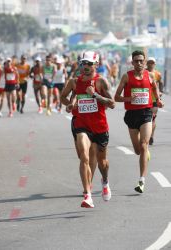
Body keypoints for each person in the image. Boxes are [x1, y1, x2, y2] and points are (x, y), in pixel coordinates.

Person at [61, 51, 115, 208]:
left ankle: (105, 181)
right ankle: (88, 195)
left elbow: (112, 104)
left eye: (89, 64)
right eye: (83, 63)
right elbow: (63, 97)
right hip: (81, 125)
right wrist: (69, 104)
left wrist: (96, 96)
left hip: (99, 126)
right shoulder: (74, 82)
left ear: (96, 65)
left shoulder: (101, 82)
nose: (86, 66)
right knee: (84, 157)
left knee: (102, 162)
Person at [114, 50, 164, 193]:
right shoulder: (126, 76)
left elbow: (155, 89)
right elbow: (116, 97)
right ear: (132, 62)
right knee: (137, 150)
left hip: (146, 113)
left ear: (145, 61)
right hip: (131, 115)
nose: (139, 63)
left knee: (143, 144)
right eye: (136, 61)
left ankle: (141, 180)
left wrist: (159, 101)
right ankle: (144, 152)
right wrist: (128, 99)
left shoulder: (150, 76)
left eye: (142, 61)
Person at [146, 57, 164, 145]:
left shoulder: (157, 74)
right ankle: (146, 135)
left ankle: (151, 136)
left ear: (155, 64)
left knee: (152, 118)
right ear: (146, 64)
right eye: (149, 62)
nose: (151, 64)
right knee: (145, 119)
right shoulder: (143, 73)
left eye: (152, 63)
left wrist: (161, 92)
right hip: (145, 99)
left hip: (154, 99)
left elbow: (161, 83)